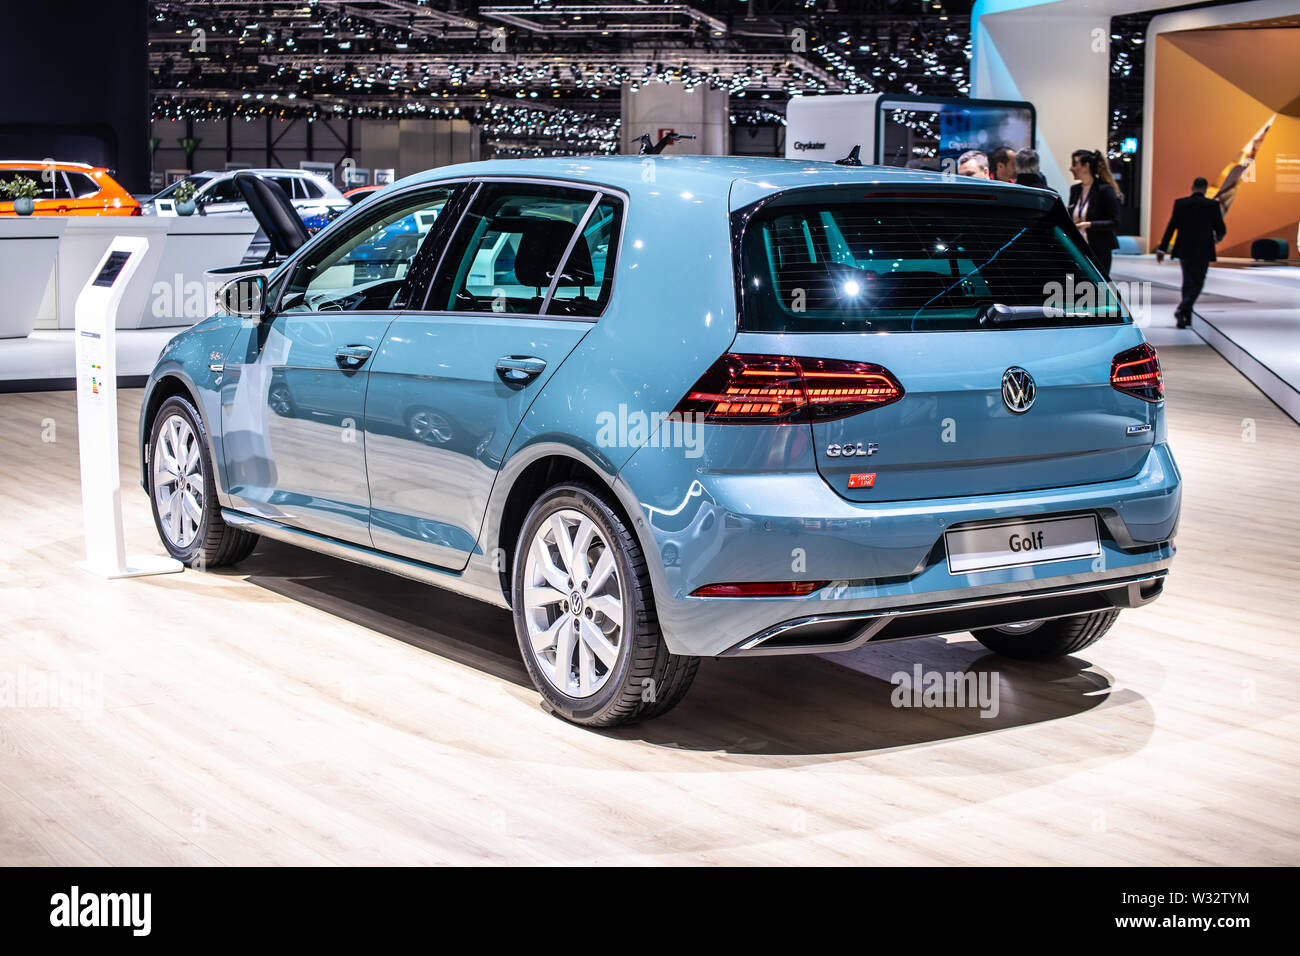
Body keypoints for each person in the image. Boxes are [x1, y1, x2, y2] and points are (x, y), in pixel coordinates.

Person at [1156, 176, 1226, 328]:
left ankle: (1185, 315)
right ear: (1205, 189)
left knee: (1187, 281)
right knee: (1198, 282)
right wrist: (1217, 238)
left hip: (1184, 248)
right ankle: (1183, 310)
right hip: (1203, 249)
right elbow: (1221, 228)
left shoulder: (1181, 204)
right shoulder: (1212, 205)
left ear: (1192, 187)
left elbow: (1171, 226)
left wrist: (1162, 248)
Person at [1067, 148, 1123, 276]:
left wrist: (1089, 225)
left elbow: (1115, 222)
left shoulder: (1105, 190)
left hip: (1099, 250)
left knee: (1097, 290)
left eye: (1074, 164)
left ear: (1086, 166)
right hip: (1078, 249)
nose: (1071, 168)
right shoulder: (1075, 190)